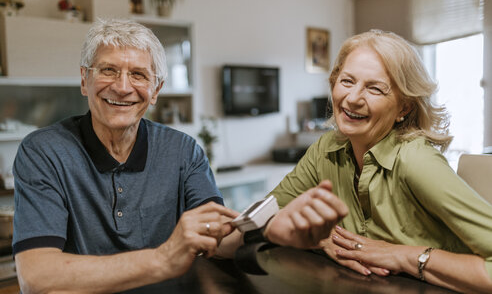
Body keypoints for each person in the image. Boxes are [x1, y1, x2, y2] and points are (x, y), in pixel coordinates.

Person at [12, 18, 348, 293]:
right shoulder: (44, 152)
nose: (123, 87)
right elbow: (36, 277)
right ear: (84, 80)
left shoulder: (183, 150)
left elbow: (217, 239)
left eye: (139, 75)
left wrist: (270, 231)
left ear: (156, 91)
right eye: (108, 70)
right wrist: (162, 260)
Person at [269, 30, 492, 293]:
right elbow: (262, 218)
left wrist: (407, 256)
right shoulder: (326, 149)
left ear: (404, 108)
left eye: (374, 88)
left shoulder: (416, 160)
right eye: (347, 81)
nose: (352, 98)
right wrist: (320, 240)